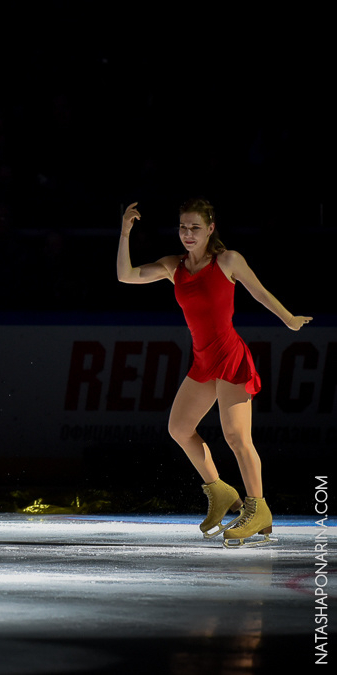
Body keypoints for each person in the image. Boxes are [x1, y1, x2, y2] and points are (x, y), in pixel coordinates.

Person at [117, 198, 312, 547]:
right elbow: (125, 275)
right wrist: (125, 232)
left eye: (195, 227)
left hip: (230, 358)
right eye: (182, 227)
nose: (187, 234)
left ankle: (259, 509)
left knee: (237, 438)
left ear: (210, 229)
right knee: (179, 428)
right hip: (204, 361)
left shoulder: (227, 260)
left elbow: (260, 292)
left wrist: (289, 319)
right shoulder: (172, 266)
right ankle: (221, 492)